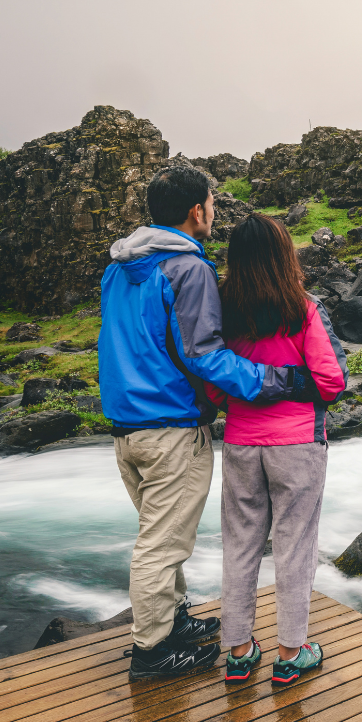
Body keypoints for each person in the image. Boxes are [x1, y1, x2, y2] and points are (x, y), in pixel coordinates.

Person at [99, 166, 312, 680]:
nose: (214, 210)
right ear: (197, 210)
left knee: (160, 530)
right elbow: (205, 356)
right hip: (170, 426)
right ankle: (152, 651)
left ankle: (172, 620)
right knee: (162, 543)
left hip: (126, 427)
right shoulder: (187, 269)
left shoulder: (119, 267)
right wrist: (278, 380)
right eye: (212, 202)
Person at [208, 214, 347, 686]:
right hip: (297, 444)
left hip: (241, 444)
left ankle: (239, 652)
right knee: (295, 547)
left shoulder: (222, 313)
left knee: (240, 546)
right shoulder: (303, 308)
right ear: (285, 255)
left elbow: (213, 385)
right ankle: (290, 654)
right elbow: (331, 381)